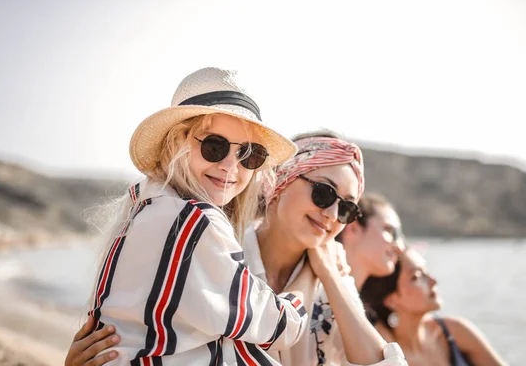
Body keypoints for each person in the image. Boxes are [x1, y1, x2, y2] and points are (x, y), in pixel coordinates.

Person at [66, 129, 408, 366]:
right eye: (324, 193)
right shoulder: (212, 250)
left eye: (347, 208)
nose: (332, 214)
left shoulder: (335, 276)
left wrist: (328, 275)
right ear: (283, 181)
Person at [79, 66, 318, 365]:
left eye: (249, 154)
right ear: (175, 143)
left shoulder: (145, 209)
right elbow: (279, 326)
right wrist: (310, 273)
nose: (231, 166)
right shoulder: (194, 221)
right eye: (214, 146)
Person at [361, 247, 508, 366]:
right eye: (417, 276)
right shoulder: (380, 353)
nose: (433, 281)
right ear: (391, 299)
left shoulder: (455, 332)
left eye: (426, 271)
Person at [336, 192, 405, 291]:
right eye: (389, 231)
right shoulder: (312, 295)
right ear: (353, 228)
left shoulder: (352, 302)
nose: (400, 248)